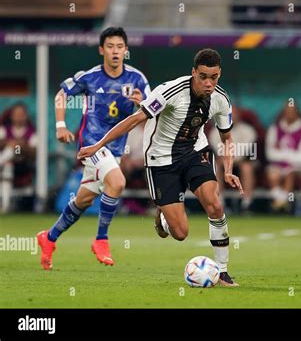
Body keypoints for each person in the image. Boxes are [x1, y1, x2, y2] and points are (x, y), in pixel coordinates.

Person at [78, 48, 243, 287]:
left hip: (195, 152)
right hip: (161, 159)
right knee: (180, 233)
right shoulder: (170, 91)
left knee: (214, 203)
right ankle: (165, 215)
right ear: (193, 72)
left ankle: (224, 272)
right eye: (203, 76)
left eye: (214, 77)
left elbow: (227, 138)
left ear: (220, 74)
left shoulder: (220, 99)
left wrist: (228, 169)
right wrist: (98, 145)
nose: (209, 83)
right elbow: (134, 119)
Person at [36, 27, 150, 270]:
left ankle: (49, 238)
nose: (115, 51)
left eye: (120, 47)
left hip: (115, 151)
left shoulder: (137, 79)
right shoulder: (89, 77)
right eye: (110, 46)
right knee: (117, 182)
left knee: (82, 201)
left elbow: (153, 112)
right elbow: (61, 95)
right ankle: (101, 239)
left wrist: (143, 108)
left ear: (126, 50)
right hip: (92, 144)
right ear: (101, 50)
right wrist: (60, 125)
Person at [208, 106, 258, 213]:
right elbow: (218, 151)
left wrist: (231, 159)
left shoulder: (248, 130)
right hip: (223, 163)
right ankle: (220, 203)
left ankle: (247, 204)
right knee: (215, 165)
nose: (231, 116)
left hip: (243, 161)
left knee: (247, 167)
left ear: (239, 115)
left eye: (234, 113)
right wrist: (228, 160)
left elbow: (245, 151)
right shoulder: (215, 130)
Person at [265, 102, 301, 212]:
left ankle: (281, 203)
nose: (289, 114)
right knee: (273, 174)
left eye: (292, 111)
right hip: (277, 166)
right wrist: (291, 154)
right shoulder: (274, 129)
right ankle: (281, 203)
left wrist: (282, 152)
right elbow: (270, 153)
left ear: (297, 113)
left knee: (290, 173)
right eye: (287, 111)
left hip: (297, 168)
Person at [0, 102, 37, 212]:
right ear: (12, 116)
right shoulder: (4, 129)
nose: (19, 117)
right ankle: (5, 205)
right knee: (7, 166)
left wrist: (20, 146)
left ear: (26, 116)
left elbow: (34, 153)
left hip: (22, 165)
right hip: (8, 166)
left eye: (21, 114)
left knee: (14, 150)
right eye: (16, 114)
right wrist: (11, 143)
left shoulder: (32, 132)